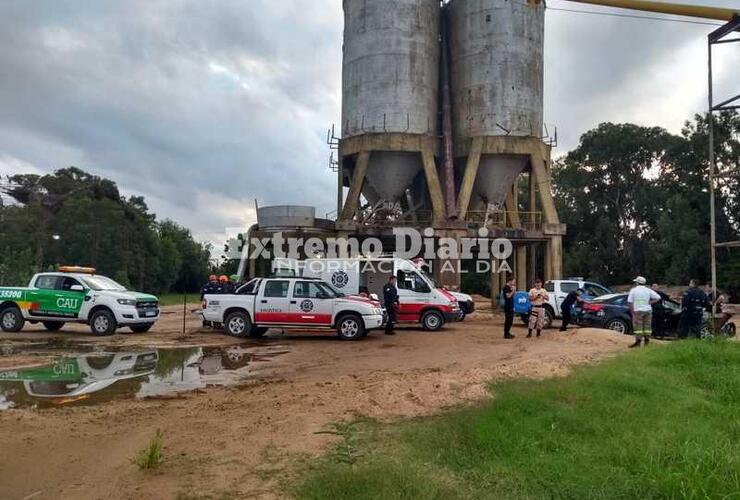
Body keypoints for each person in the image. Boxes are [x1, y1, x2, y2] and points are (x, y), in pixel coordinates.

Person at [627, 276, 661, 348]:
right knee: (647, 327)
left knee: (638, 327)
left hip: (638, 310)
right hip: (648, 310)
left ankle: (638, 342)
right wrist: (650, 302)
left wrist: (632, 312)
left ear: (637, 283)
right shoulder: (648, 290)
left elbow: (630, 302)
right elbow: (658, 297)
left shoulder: (633, 290)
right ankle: (646, 342)